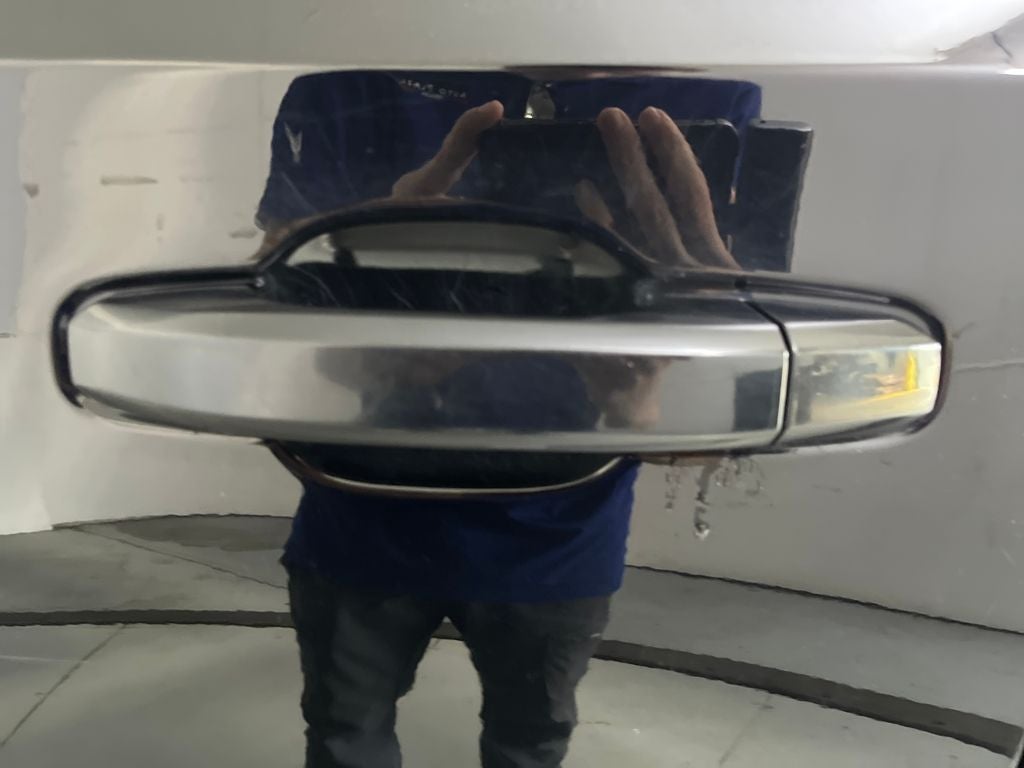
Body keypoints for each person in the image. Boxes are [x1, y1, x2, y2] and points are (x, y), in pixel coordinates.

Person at [257, 71, 758, 768]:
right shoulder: (347, 85)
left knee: (449, 738)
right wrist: (360, 261)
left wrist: (669, 360)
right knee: (412, 736)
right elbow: (279, 314)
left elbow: (718, 427)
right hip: (399, 506)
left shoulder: (711, 99)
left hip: (518, 515)